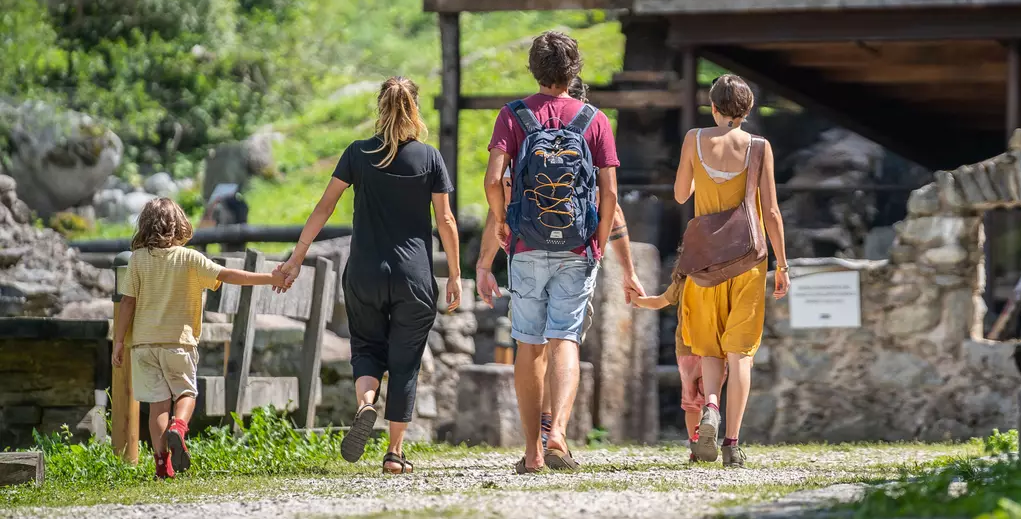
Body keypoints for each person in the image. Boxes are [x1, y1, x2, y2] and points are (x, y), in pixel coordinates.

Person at [276, 77, 462, 475]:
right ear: (415, 109)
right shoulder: (429, 159)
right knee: (405, 362)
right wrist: (456, 275)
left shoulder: (358, 154)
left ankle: (365, 406)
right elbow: (445, 220)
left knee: (365, 349)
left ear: (381, 107)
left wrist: (296, 258)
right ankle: (394, 454)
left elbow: (324, 208)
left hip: (363, 274)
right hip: (413, 277)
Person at [484, 31, 641, 474]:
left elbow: (494, 179)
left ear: (534, 69)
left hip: (526, 244)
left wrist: (501, 220)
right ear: (574, 71)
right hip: (577, 243)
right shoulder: (595, 120)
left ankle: (533, 452)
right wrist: (599, 238)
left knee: (528, 344)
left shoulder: (512, 116)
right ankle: (559, 433)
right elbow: (609, 191)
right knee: (565, 338)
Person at [112, 198, 284, 479]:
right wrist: (270, 278)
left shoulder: (138, 260)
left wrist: (119, 341)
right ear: (178, 225)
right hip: (178, 342)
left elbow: (127, 302)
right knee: (187, 393)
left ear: (144, 227)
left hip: (144, 344)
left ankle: (161, 466)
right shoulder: (189, 258)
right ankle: (179, 428)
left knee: (157, 404)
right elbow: (227, 275)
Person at [674, 74, 790, 468]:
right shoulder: (759, 147)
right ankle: (731, 444)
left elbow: (680, 194)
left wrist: (703, 177)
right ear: (747, 110)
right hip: (748, 263)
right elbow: (771, 211)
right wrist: (782, 265)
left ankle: (710, 404)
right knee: (740, 354)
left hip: (705, 264)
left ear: (713, 107)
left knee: (708, 348)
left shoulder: (694, 138)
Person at [630, 267, 723, 462]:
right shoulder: (722, 278)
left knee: (690, 403)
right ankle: (709, 429)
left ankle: (695, 444)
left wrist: (637, 300)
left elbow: (658, 302)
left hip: (686, 350)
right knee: (711, 396)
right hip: (715, 349)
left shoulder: (683, 281)